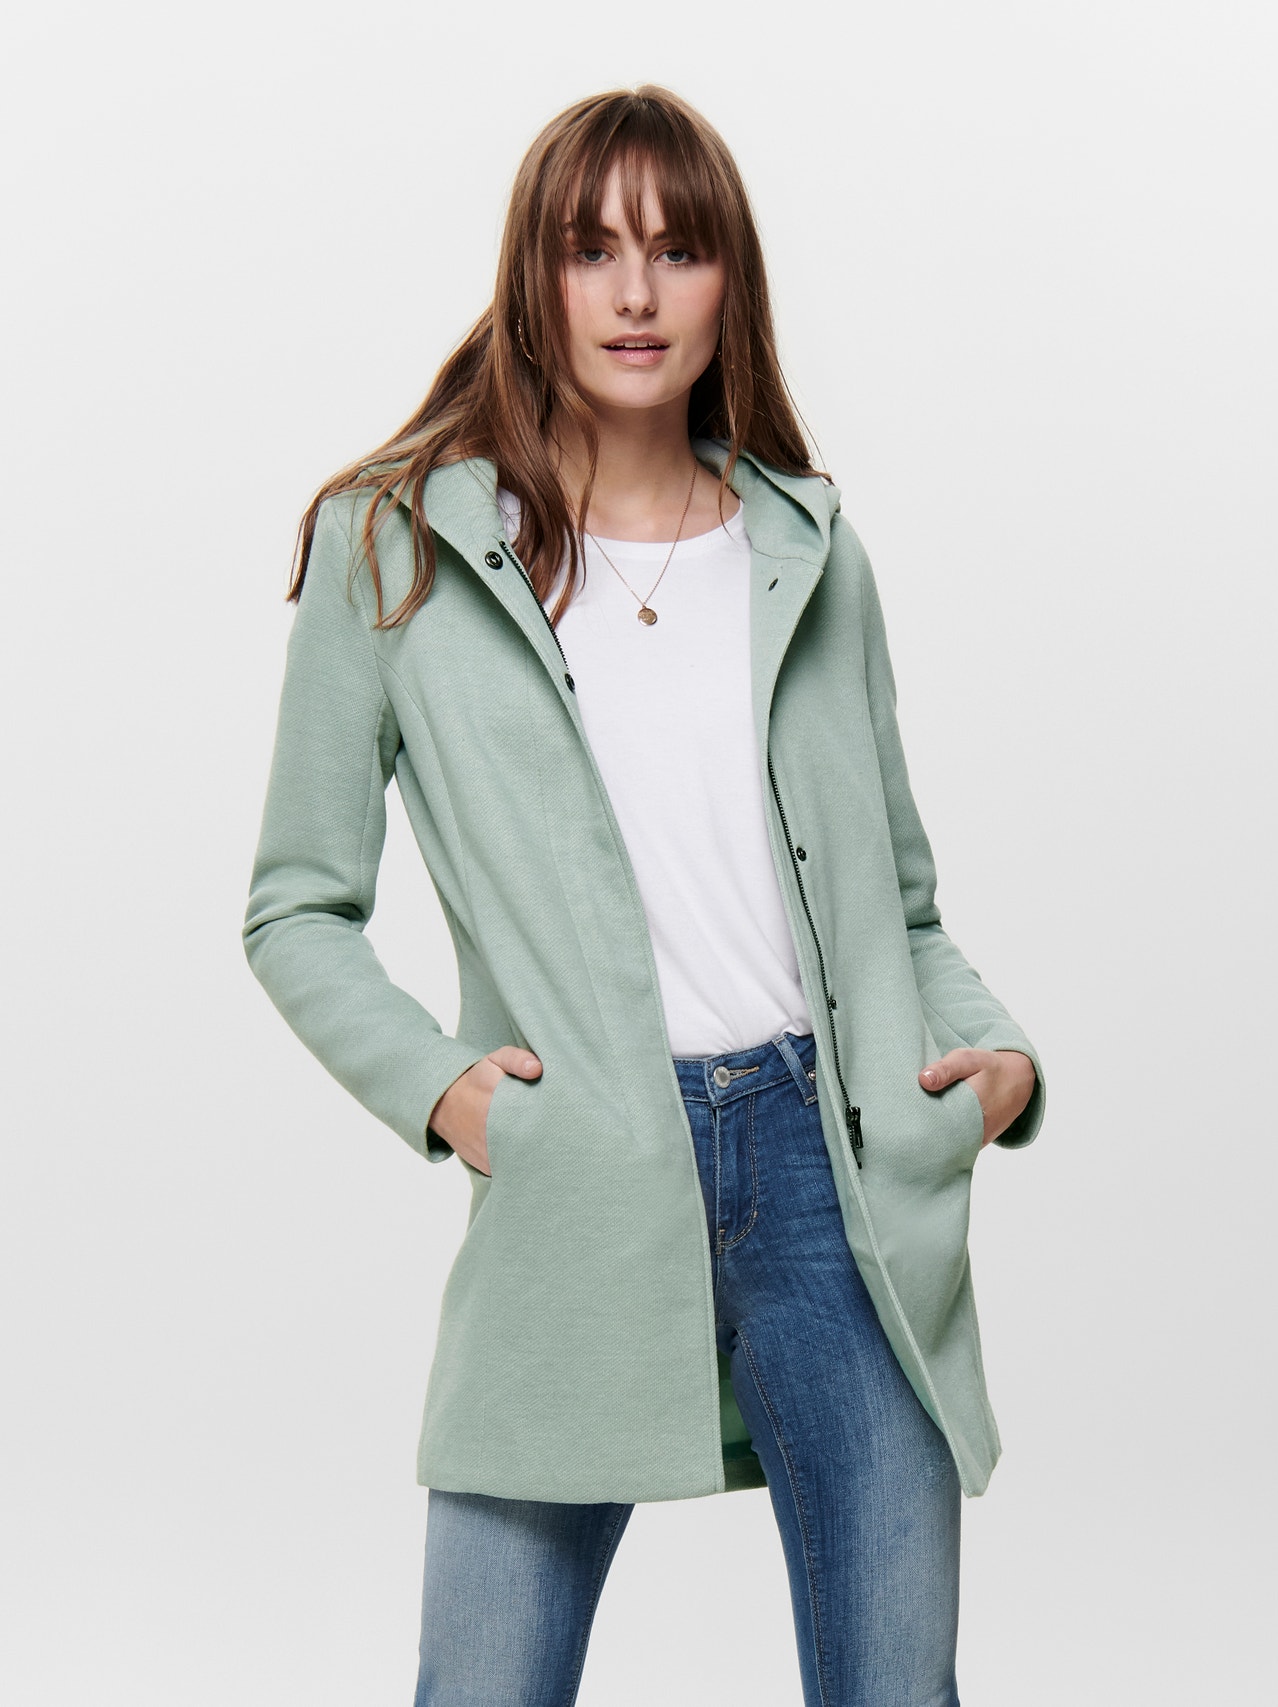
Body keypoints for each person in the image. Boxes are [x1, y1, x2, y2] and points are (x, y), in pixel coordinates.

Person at [242, 84, 1045, 1707]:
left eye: (677, 251)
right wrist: (446, 1094)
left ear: (728, 280)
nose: (632, 293)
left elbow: (897, 902)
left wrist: (1000, 1063)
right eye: (589, 250)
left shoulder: (809, 549)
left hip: (835, 1174)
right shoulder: (396, 547)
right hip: (583, 1170)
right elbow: (295, 906)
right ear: (530, 277)